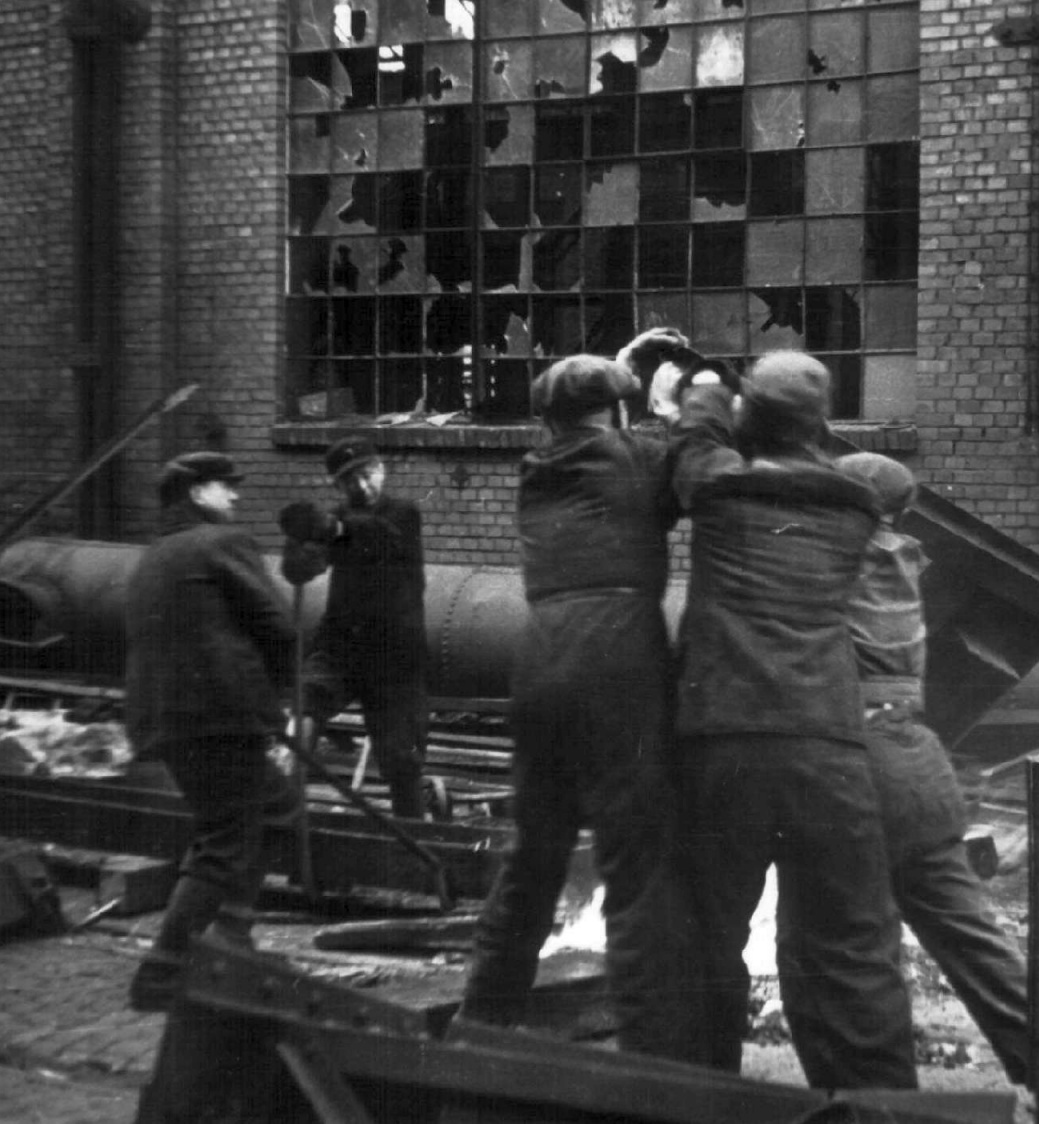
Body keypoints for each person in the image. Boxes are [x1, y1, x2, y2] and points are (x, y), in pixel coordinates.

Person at [669, 349, 918, 1090]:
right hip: (828, 746)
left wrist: (710, 392)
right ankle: (878, 1108)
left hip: (725, 740)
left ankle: (696, 1102)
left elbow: (691, 447)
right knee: (851, 947)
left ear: (752, 418)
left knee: (704, 938)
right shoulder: (855, 502)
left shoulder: (720, 488)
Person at [454, 331, 703, 1064]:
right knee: (635, 867)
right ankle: (648, 1056)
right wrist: (666, 399)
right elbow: (681, 450)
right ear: (617, 413)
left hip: (540, 661)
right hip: (617, 659)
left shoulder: (539, 468)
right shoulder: (640, 457)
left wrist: (619, 372)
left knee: (535, 856)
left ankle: (482, 1025)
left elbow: (590, 421)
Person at [826, 452, 1039, 1106]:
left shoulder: (843, 569)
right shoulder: (900, 562)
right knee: (969, 933)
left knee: (846, 949)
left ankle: (879, 1100)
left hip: (859, 774)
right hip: (920, 772)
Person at [123, 452, 299, 1011]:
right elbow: (278, 625)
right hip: (223, 718)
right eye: (227, 488)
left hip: (167, 720)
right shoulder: (221, 543)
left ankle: (231, 941)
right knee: (226, 841)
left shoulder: (154, 556)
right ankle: (165, 968)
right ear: (198, 493)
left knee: (273, 808)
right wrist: (281, 709)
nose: (236, 498)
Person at [281, 439, 428, 819]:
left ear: (381, 469)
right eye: (350, 482)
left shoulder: (403, 515)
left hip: (394, 657)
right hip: (341, 648)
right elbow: (304, 568)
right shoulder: (336, 521)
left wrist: (329, 528)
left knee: (401, 762)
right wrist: (297, 551)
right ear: (337, 487)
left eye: (366, 475)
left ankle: (411, 849)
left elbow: (376, 537)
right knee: (305, 702)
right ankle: (283, 805)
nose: (362, 487)